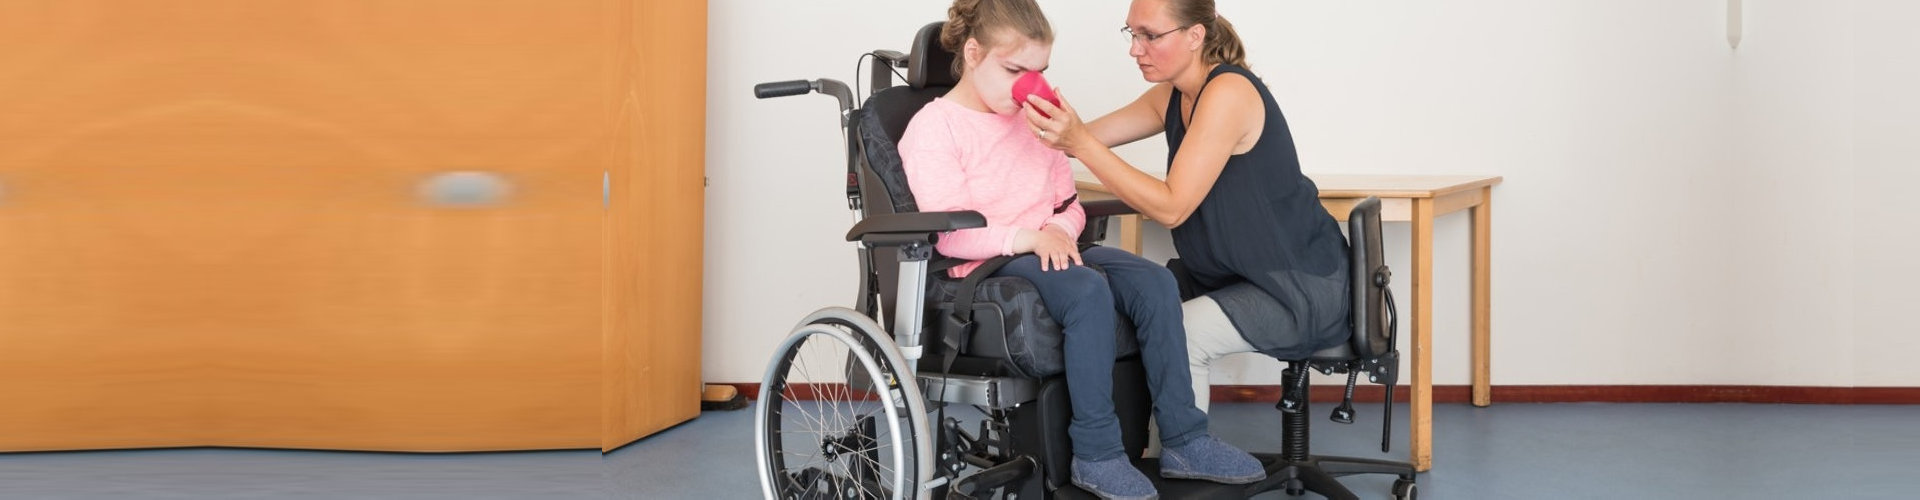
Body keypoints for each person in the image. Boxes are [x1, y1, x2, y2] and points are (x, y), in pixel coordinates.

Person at [898, 0, 1266, 498]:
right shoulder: (935, 126)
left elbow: (1068, 201)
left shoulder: (1037, 117)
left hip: (1047, 248)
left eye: (1040, 71)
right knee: (1086, 291)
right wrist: (1032, 237)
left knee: (1154, 281)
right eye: (1014, 70)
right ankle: (1097, 454)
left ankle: (1184, 439)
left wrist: (1060, 230)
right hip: (983, 265)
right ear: (973, 52)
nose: (1029, 85)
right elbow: (949, 233)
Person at [1021, 0, 1353, 415]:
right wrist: (1037, 122)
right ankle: (1124, 450)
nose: (1134, 50)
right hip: (1234, 275)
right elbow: (1084, 138)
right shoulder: (1172, 95)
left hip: (1292, 285)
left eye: (1150, 35)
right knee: (1133, 303)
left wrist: (1080, 143)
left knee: (1184, 331)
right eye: (1132, 34)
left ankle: (1184, 459)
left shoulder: (1229, 93)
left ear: (1195, 35)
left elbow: (1171, 207)